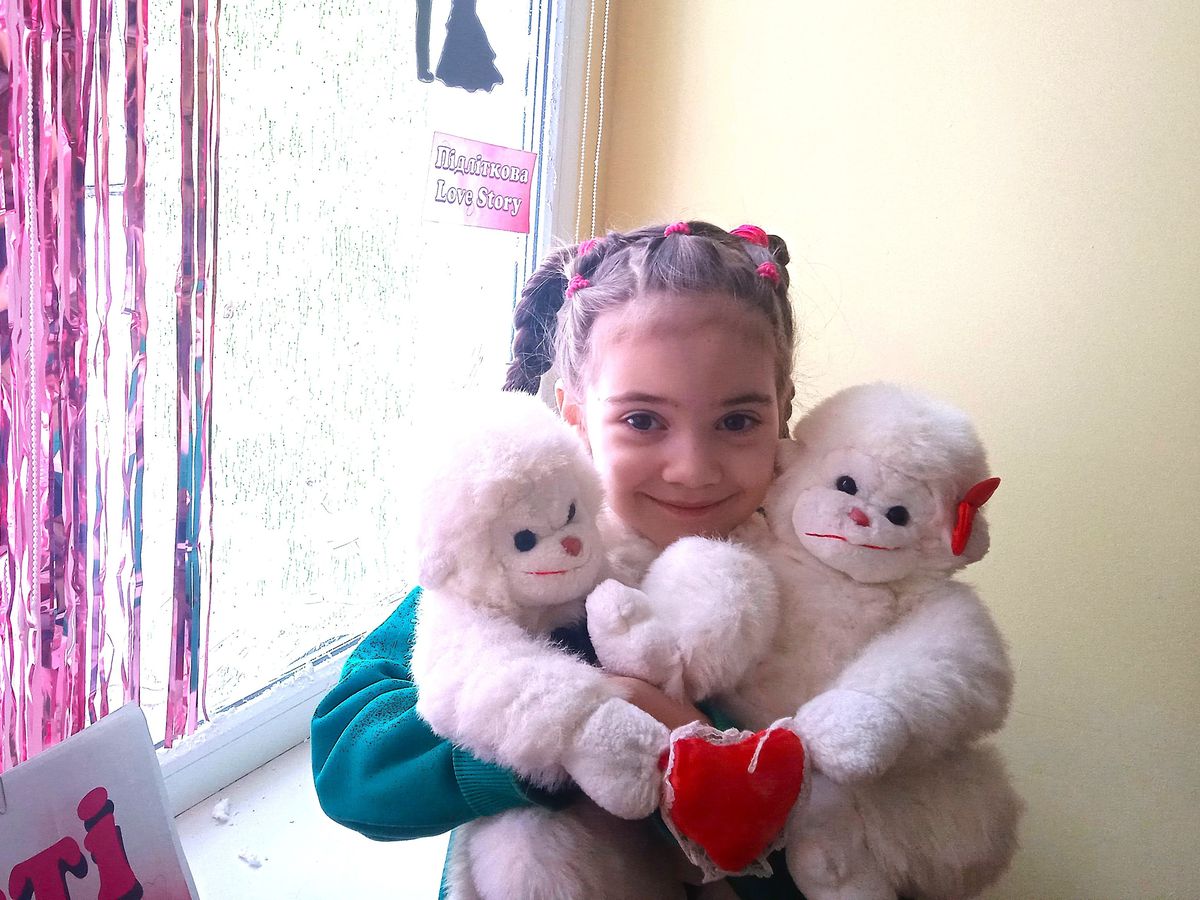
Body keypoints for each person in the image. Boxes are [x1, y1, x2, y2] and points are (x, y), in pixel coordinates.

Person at [311, 220, 803, 899]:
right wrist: (573, 725)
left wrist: (709, 752)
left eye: (737, 421)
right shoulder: (517, 550)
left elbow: (860, 844)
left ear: (782, 410)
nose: (692, 468)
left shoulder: (831, 579)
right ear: (574, 416)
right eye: (643, 420)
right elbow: (350, 762)